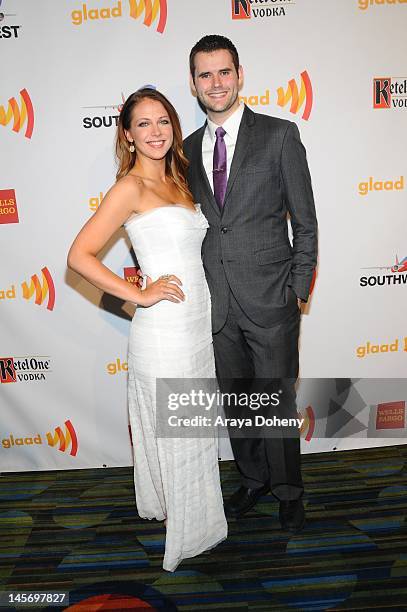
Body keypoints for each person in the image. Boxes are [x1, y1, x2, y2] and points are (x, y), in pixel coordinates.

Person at [67, 88, 227, 571]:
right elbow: (79, 256)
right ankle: (189, 530)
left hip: (196, 324)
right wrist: (138, 294)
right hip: (164, 330)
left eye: (163, 122)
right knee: (179, 429)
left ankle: (176, 507)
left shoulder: (180, 181)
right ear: (128, 134)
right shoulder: (129, 188)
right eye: (144, 124)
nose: (155, 132)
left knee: (192, 426)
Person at [183, 35, 318, 531]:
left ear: (240, 75)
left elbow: (304, 220)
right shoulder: (185, 150)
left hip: (272, 296)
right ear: (193, 83)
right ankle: (253, 480)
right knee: (238, 401)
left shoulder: (280, 134)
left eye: (224, 72)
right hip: (216, 304)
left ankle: (287, 489)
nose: (215, 83)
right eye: (204, 75)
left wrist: (298, 286)